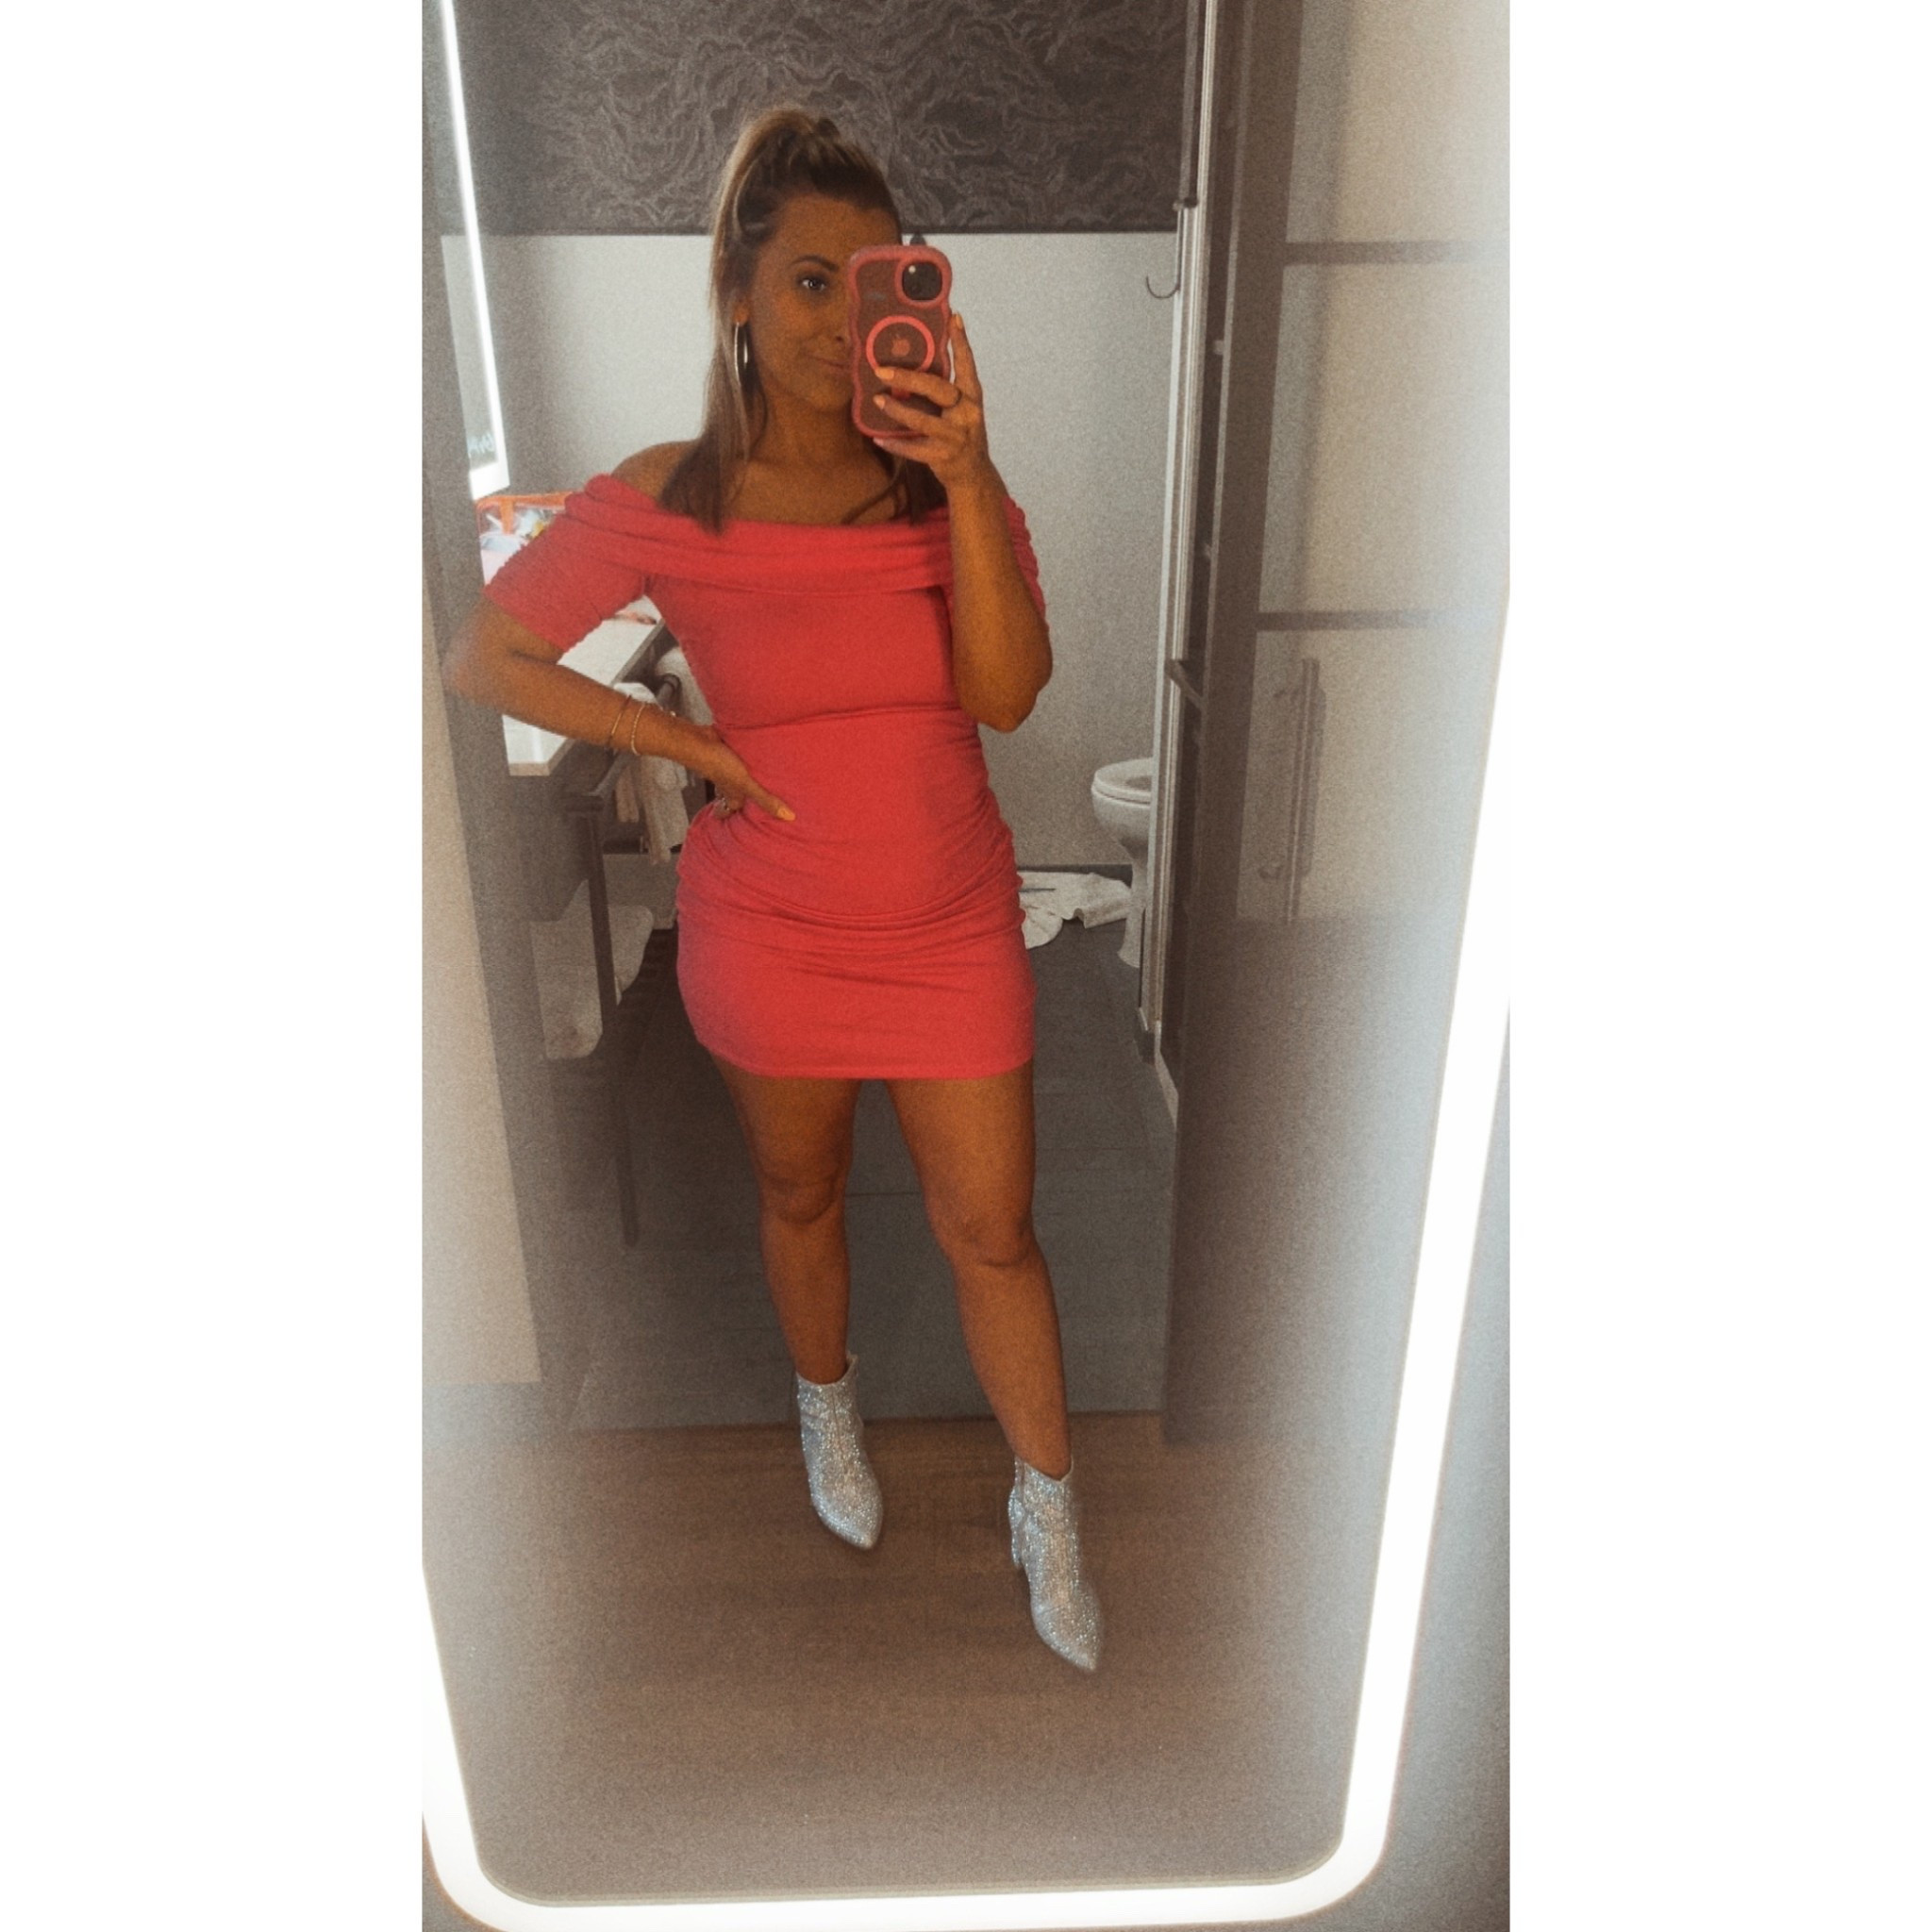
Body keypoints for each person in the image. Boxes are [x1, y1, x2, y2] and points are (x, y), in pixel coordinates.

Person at [443, 108, 1100, 1672]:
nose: (840, 321)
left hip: (950, 929)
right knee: (801, 1195)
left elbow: (1008, 695)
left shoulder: (942, 487)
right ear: (737, 295)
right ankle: (828, 1414)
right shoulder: (670, 497)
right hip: (773, 936)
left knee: (994, 1229)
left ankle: (1050, 1504)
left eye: (875, 283)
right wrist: (678, 740)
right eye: (810, 283)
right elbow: (488, 653)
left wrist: (968, 472)